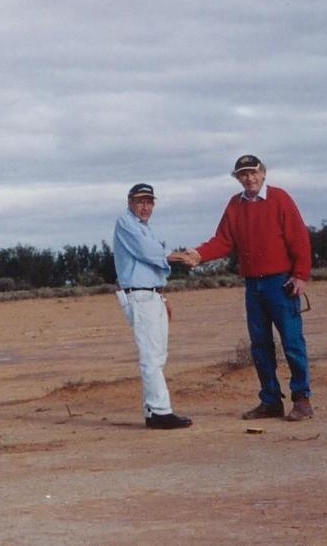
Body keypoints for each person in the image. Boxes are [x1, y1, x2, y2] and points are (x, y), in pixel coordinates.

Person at [180, 155, 313, 422]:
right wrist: (198, 254)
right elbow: (223, 241)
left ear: (263, 173)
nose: (249, 178)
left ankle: (302, 400)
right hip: (253, 285)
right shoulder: (235, 205)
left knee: (292, 342)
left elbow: (299, 238)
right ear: (237, 178)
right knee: (260, 345)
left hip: (281, 283)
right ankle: (271, 401)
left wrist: (300, 275)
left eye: (253, 172)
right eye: (243, 174)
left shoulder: (280, 198)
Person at [113, 183, 192, 430]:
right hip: (140, 297)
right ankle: (160, 412)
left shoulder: (143, 227)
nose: (145, 207)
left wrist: (163, 297)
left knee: (157, 354)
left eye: (149, 202)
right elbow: (148, 253)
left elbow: (152, 262)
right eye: (140, 201)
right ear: (130, 202)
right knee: (151, 355)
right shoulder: (126, 223)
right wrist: (182, 256)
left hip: (152, 295)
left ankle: (153, 409)